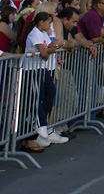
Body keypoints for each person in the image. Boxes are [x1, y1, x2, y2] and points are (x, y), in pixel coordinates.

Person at [23, 11, 68, 148]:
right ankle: (40, 124)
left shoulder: (43, 34)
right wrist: (48, 51)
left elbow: (50, 47)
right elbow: (44, 53)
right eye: (48, 23)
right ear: (41, 22)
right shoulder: (35, 33)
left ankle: (40, 120)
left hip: (42, 68)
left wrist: (50, 49)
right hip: (32, 69)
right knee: (38, 96)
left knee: (51, 91)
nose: (50, 26)